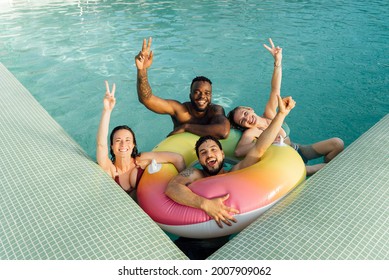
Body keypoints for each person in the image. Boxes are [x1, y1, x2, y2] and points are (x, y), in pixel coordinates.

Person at [165, 94, 296, 259]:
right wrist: (205, 204)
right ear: (199, 160)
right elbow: (172, 187)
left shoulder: (234, 173)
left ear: (221, 153)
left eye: (213, 150)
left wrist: (281, 115)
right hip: (188, 240)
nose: (209, 154)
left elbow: (259, 149)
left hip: (222, 246)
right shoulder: (195, 174)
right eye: (203, 153)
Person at [227, 38, 344, 176]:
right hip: (286, 163)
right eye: (242, 121)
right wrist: (268, 141)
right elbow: (238, 151)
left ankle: (321, 176)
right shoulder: (252, 132)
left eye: (245, 113)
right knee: (334, 168)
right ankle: (314, 172)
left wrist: (277, 62)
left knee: (338, 144)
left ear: (249, 108)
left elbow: (275, 89)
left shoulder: (269, 114)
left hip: (297, 149)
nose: (247, 119)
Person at [96, 81, 186, 200]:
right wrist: (106, 111)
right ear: (112, 146)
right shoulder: (111, 170)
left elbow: (177, 158)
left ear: (133, 145)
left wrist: (182, 183)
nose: (123, 144)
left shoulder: (142, 160)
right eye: (118, 140)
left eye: (128, 140)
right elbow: (101, 145)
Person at [134, 37, 230, 139]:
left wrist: (186, 127)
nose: (202, 96)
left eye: (207, 93)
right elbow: (146, 99)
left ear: (211, 96)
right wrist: (142, 70)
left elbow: (223, 132)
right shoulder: (180, 110)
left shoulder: (215, 111)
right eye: (197, 92)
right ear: (190, 95)